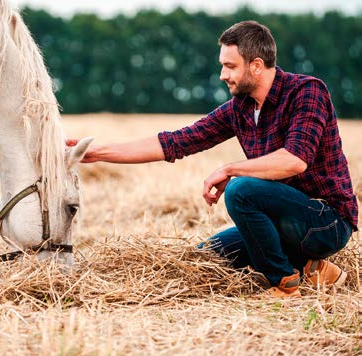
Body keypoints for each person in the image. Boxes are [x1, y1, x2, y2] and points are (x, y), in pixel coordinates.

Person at [67, 20, 358, 298]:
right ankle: (312, 268)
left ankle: (285, 283)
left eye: (230, 66)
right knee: (208, 254)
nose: (222, 75)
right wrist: (96, 152)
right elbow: (175, 142)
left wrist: (231, 169)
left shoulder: (307, 91)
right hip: (282, 221)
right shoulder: (239, 109)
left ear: (256, 66)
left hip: (325, 222)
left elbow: (294, 160)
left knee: (241, 190)